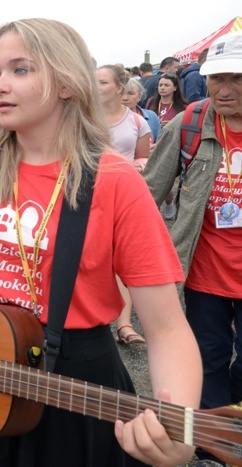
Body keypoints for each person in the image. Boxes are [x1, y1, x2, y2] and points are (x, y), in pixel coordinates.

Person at [0, 18, 201, 467]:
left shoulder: (112, 180)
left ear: (66, 83)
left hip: (75, 388)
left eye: (20, 70)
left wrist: (179, 427)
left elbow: (166, 327)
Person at [143, 30, 242, 467]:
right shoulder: (189, 124)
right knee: (209, 358)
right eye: (215, 79)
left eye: (236, 79)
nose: (223, 89)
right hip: (205, 274)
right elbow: (147, 195)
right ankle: (212, 445)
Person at [96, 65, 151, 346]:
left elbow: (144, 158)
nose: (96, 86)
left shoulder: (138, 122)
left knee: (121, 257)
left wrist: (136, 168)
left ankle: (124, 324)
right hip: (89, 196)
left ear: (119, 88)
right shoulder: (82, 119)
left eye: (102, 82)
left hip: (124, 196)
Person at [121, 78, 161, 144]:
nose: (125, 98)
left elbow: (160, 143)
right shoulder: (110, 119)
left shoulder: (151, 117)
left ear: (139, 97)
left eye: (130, 93)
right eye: (121, 93)